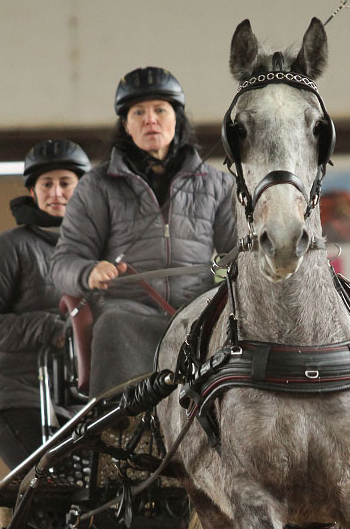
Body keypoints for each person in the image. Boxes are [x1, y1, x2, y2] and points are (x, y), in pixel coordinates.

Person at [50, 67, 236, 397]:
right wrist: (89, 271)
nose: (150, 119)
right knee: (112, 324)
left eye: (160, 110)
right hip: (129, 314)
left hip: (200, 312)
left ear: (177, 118)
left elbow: (239, 250)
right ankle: (116, 433)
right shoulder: (97, 186)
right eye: (138, 112)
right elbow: (63, 263)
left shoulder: (219, 184)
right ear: (125, 124)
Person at [0, 139, 91, 469]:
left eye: (65, 183)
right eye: (46, 184)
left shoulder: (94, 258)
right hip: (12, 397)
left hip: (75, 404)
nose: (57, 192)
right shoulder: (8, 248)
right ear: (32, 192)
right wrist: (50, 329)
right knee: (49, 484)